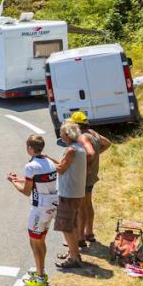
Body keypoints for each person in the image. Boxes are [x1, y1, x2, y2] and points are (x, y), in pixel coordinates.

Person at [8, 134, 58, 286]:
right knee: (41, 240)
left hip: (39, 208)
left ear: (30, 148)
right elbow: (38, 180)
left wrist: (14, 182)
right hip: (52, 205)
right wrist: (21, 179)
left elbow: (26, 191)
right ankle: (40, 271)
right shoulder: (49, 162)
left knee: (35, 242)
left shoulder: (30, 166)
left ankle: (41, 277)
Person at [71, 111, 111, 246]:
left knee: (81, 207)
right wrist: (96, 156)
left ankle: (80, 238)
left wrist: (85, 164)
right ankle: (89, 233)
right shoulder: (93, 133)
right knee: (88, 204)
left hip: (84, 176)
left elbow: (90, 153)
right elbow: (107, 143)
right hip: (92, 174)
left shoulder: (82, 137)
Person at [50, 121, 87, 269]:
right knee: (72, 224)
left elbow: (60, 169)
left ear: (67, 134)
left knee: (66, 226)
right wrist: (51, 159)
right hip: (76, 192)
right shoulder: (80, 148)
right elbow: (63, 165)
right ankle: (73, 252)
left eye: (61, 133)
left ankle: (74, 258)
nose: (60, 135)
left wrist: (46, 162)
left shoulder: (71, 150)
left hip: (68, 193)